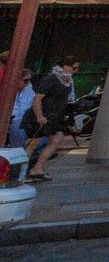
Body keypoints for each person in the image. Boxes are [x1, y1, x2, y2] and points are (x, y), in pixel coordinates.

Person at [22, 54, 82, 182]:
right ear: (65, 66)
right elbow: (37, 99)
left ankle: (36, 169)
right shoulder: (52, 78)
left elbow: (67, 100)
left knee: (56, 139)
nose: (76, 71)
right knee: (32, 144)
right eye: (74, 68)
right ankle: (21, 173)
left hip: (54, 116)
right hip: (42, 115)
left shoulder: (68, 80)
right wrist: (39, 116)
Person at [3, 51, 34, 149]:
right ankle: (17, 152)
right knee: (18, 125)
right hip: (11, 119)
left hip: (24, 118)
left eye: (29, 80)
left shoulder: (28, 88)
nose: (28, 82)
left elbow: (31, 103)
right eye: (25, 80)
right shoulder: (6, 86)